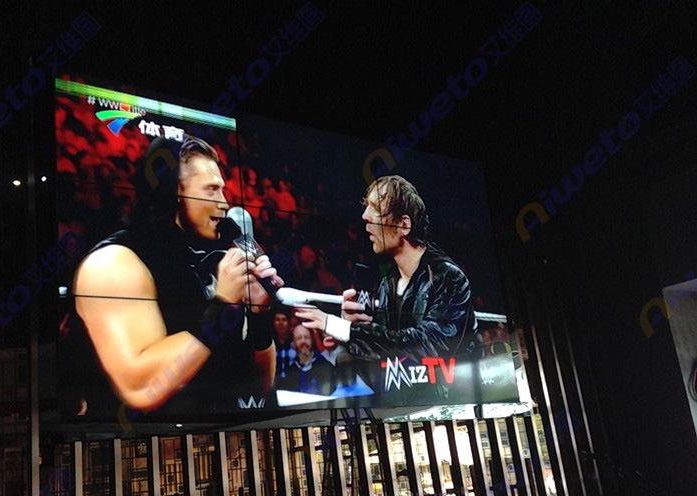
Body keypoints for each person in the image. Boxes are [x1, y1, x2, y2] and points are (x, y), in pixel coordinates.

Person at [71, 135, 282, 415]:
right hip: (139, 440)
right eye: (211, 190)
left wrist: (259, 315)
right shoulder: (113, 263)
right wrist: (220, 308)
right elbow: (141, 387)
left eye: (222, 190)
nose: (224, 203)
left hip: (228, 432)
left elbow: (259, 387)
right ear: (174, 193)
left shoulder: (210, 259)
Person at [295, 174, 478, 364]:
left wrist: (344, 329)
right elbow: (387, 361)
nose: (365, 216)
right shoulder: (388, 284)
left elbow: (431, 345)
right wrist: (353, 338)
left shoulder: (448, 277)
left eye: (376, 208)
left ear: (403, 225)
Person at [279, 324, 335, 395]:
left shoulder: (325, 367)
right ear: (293, 343)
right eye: (299, 338)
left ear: (312, 340)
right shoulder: (290, 372)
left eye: (306, 337)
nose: (303, 341)